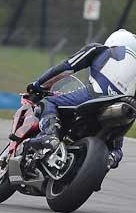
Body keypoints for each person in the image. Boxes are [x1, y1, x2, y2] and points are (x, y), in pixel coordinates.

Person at [27, 29, 136, 170]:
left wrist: (38, 84)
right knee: (115, 146)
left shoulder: (100, 50)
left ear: (113, 41)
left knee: (48, 102)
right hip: (125, 109)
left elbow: (67, 67)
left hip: (96, 95)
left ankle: (50, 135)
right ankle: (111, 157)